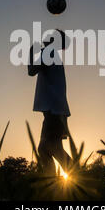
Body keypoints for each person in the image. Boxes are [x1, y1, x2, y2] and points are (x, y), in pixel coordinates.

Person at [28, 29, 72, 176]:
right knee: (47, 149)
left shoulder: (49, 52)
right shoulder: (52, 54)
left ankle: (81, 179)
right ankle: (54, 185)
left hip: (54, 111)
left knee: (49, 148)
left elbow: (31, 70)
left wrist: (30, 52)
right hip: (56, 111)